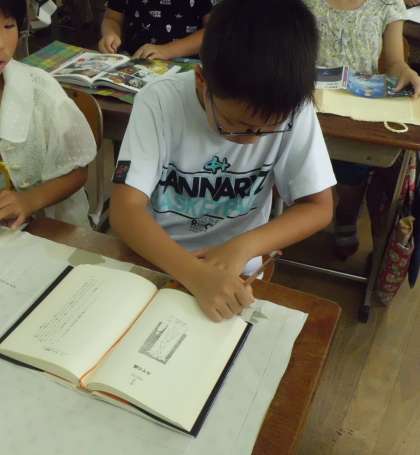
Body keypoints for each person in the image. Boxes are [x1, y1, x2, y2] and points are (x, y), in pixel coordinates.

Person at [110, 0, 336, 322]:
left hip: (238, 268)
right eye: (236, 124)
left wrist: (245, 246)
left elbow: (319, 206)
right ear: (201, 81)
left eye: (268, 130)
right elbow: (125, 210)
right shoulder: (158, 101)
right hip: (158, 258)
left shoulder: (294, 109)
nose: (252, 140)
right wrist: (194, 273)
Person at [304, 0, 420, 259]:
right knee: (301, 167)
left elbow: (394, 61)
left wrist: (404, 71)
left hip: (356, 114)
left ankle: (346, 216)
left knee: (352, 173)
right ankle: (295, 215)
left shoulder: (387, 3)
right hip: (307, 106)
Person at [0, 0, 96, 228]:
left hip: (43, 230)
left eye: (9, 26)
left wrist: (29, 200)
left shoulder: (40, 91)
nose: (1, 44)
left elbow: (77, 170)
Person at [98, 0, 213, 60]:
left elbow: (214, 31)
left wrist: (166, 50)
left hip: (184, 63)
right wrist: (110, 34)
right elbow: (112, 18)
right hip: (131, 58)